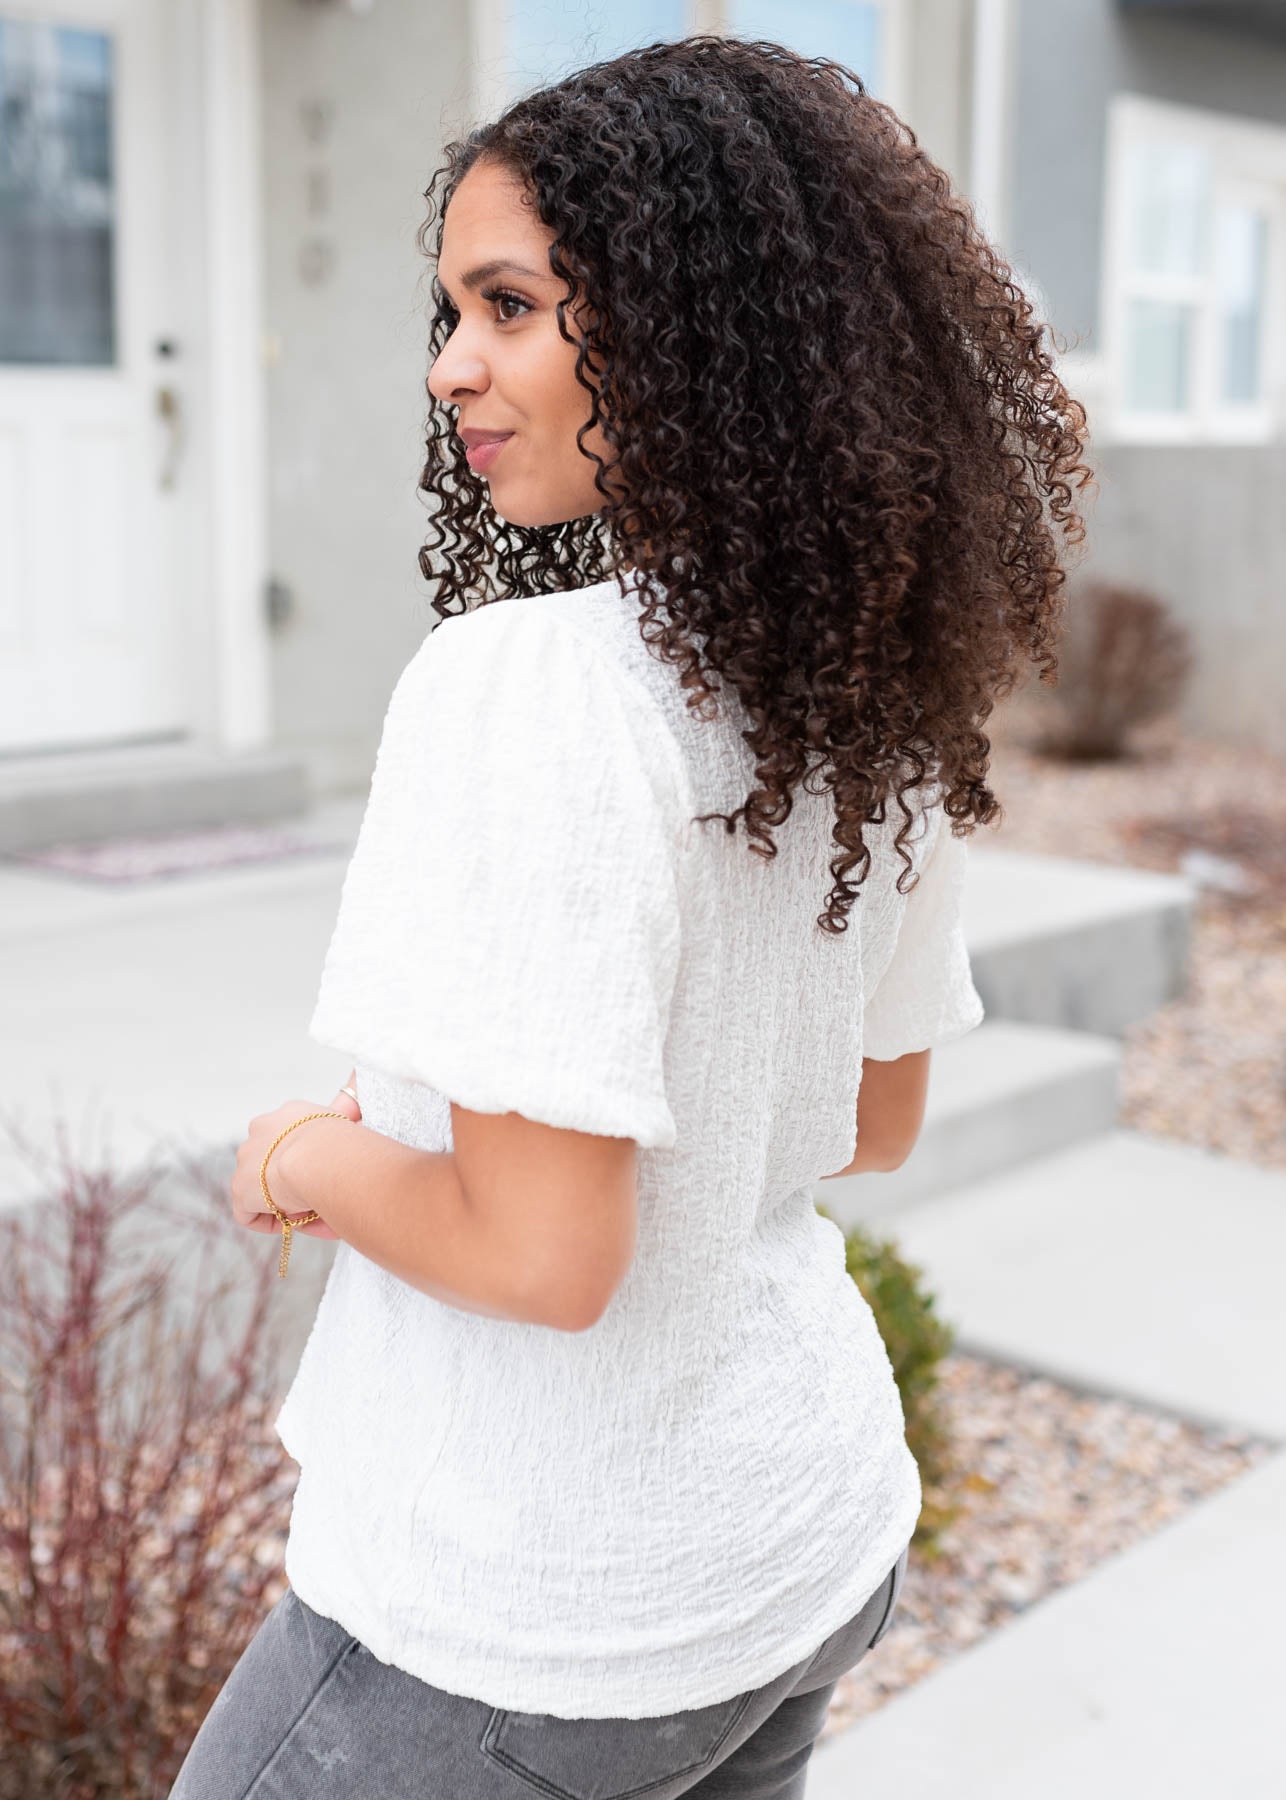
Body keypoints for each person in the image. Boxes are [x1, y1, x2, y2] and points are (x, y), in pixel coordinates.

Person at [170, 32, 1090, 1800]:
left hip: (524, 1618)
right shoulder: (859, 679)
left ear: (686, 322)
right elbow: (869, 1122)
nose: (453, 365)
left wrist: (300, 1157)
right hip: (788, 1554)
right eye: (448, 313)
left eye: (508, 305)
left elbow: (541, 1256)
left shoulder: (534, 685)